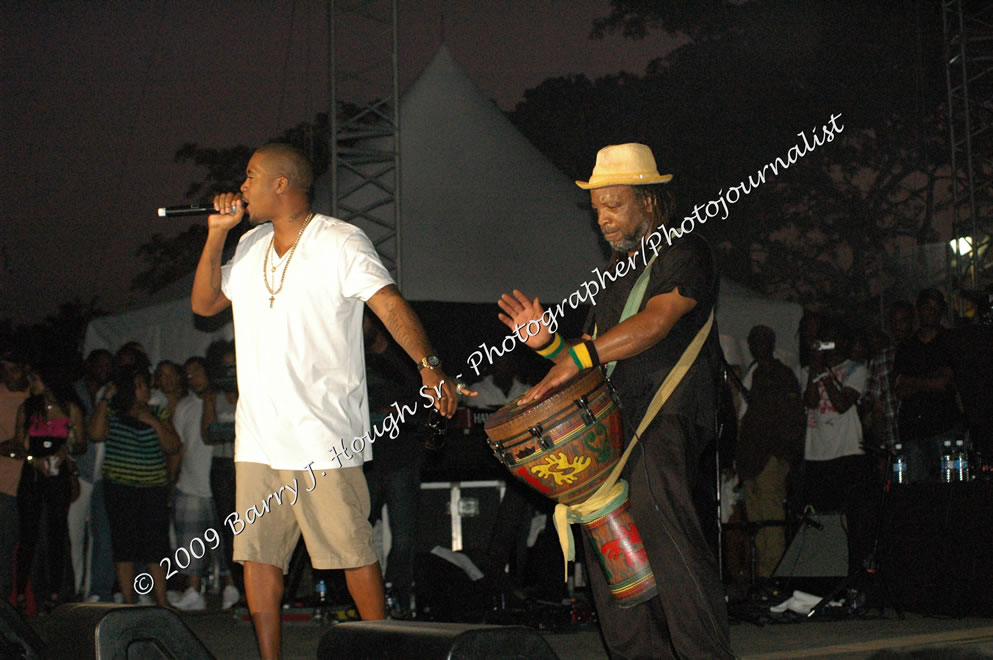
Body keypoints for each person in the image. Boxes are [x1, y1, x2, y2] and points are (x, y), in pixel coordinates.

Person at [191, 142, 464, 659]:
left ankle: (386, 648)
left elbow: (387, 303)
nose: (241, 186)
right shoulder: (248, 245)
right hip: (258, 436)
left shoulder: (340, 241)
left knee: (351, 550)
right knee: (258, 557)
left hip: (324, 436)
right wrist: (215, 237)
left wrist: (428, 366)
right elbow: (204, 304)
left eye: (251, 176)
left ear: (281, 184)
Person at [498, 143, 734, 658]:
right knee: (613, 563)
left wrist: (576, 356)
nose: (602, 218)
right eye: (597, 207)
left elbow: (654, 325)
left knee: (665, 538)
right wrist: (550, 345)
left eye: (614, 204)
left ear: (649, 200)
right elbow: (595, 355)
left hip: (666, 417)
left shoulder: (685, 252)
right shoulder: (615, 272)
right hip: (613, 426)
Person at [88, 367, 181, 607]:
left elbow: (173, 445)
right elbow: (95, 434)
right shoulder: (112, 413)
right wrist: (106, 398)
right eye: (140, 385)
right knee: (124, 544)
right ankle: (129, 600)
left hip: (152, 489)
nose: (146, 390)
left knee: (156, 545)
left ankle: (161, 600)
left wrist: (152, 421)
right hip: (120, 488)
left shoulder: (158, 412)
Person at [799, 320, 874, 574]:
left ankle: (852, 574)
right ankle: (824, 573)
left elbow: (843, 404)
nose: (828, 346)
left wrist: (824, 375)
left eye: (832, 340)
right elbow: (809, 401)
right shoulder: (809, 369)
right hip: (817, 454)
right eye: (824, 341)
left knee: (850, 518)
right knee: (820, 518)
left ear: (842, 342)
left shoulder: (856, 369)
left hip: (847, 452)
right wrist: (814, 369)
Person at [362, 313, 424, 617]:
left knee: (404, 538)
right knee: (356, 534)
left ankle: (397, 598)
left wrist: (397, 409)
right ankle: (361, 599)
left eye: (363, 322)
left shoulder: (402, 353)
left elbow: (422, 393)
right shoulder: (354, 355)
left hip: (402, 457)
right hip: (366, 460)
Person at [14, 362, 85, 613]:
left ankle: (55, 592)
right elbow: (19, 446)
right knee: (29, 534)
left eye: (35, 378)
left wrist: (66, 450)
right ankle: (21, 592)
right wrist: (34, 461)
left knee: (57, 532)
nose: (31, 383)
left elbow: (81, 444)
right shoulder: (28, 408)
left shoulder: (70, 409)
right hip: (33, 475)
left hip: (58, 475)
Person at [170, 356, 240, 610]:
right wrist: (173, 479)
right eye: (187, 375)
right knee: (191, 542)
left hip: (223, 481)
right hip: (192, 483)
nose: (192, 379)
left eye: (196, 372)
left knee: (228, 538)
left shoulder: (227, 396)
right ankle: (193, 590)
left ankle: (232, 586)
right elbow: (179, 446)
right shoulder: (185, 406)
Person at [735, 326, 804, 579]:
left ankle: (775, 576)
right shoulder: (753, 371)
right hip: (751, 457)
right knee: (757, 520)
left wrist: (780, 454)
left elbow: (790, 418)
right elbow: (745, 419)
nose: (757, 345)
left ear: (771, 343)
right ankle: (764, 576)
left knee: (771, 518)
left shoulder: (781, 374)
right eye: (754, 341)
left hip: (769, 457)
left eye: (762, 340)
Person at [893, 289, 963, 481]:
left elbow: (944, 383)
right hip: (913, 430)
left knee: (950, 488)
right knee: (919, 493)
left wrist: (914, 381)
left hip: (946, 427)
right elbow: (900, 389)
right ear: (918, 310)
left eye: (935, 307)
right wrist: (930, 380)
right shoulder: (907, 347)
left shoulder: (951, 342)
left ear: (942, 310)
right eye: (927, 307)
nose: (931, 312)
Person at [68, 349, 115, 602]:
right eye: (100, 364)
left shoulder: (111, 393)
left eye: (109, 365)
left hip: (102, 474)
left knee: (100, 536)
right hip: (80, 473)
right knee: (74, 535)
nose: (105, 369)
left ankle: (91, 590)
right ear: (89, 365)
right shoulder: (74, 391)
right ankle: (75, 586)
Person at [201, 341, 241, 593]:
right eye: (225, 366)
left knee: (250, 524)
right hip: (222, 465)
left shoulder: (251, 387)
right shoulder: (213, 395)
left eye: (233, 365)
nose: (230, 370)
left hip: (246, 462)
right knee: (229, 528)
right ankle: (237, 587)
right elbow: (207, 435)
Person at [0, 350, 30, 608]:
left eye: (14, 370)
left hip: (36, 483)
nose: (9, 376)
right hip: (6, 484)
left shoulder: (38, 395)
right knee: (6, 545)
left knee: (34, 546)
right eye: (4, 370)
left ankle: (36, 604)